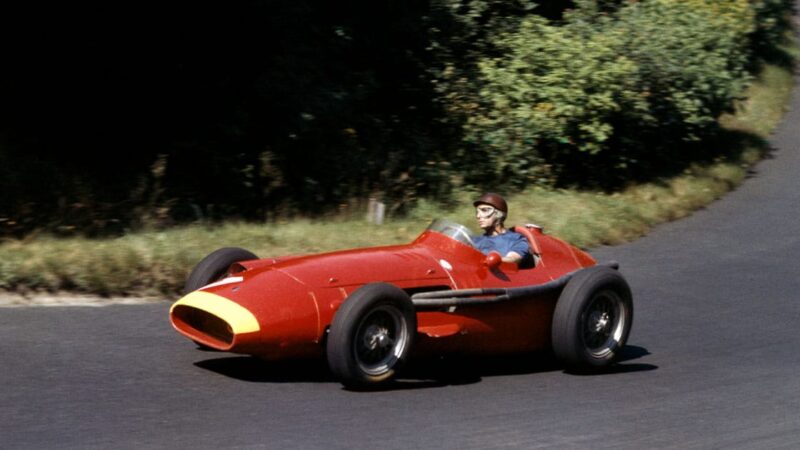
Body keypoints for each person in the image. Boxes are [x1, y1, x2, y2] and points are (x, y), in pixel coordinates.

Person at [472, 193, 531, 264]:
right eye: (477, 212)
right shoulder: (475, 241)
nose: (478, 216)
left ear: (498, 214)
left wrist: (494, 260)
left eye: (484, 210)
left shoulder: (516, 239)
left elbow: (513, 258)